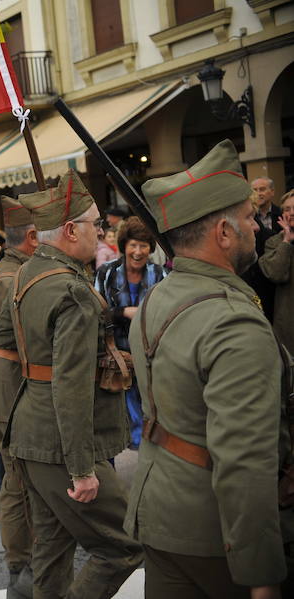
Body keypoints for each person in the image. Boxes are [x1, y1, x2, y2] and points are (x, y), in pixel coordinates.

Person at [123, 140, 291, 598]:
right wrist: (262, 577)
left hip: (160, 512)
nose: (257, 225)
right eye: (249, 218)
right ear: (223, 232)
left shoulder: (157, 295)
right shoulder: (233, 320)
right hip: (218, 533)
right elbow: (245, 461)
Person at [0, 170, 144, 598]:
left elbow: (9, 351)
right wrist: (81, 468)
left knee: (53, 549)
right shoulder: (73, 291)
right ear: (71, 229)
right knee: (125, 545)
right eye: (95, 224)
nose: (101, 232)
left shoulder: (25, 275)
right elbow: (71, 385)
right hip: (62, 444)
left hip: (30, 432)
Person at [0, 197, 36, 597]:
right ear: (32, 238)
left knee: (20, 481)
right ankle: (21, 568)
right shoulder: (9, 278)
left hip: (12, 387)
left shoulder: (15, 270)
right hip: (11, 389)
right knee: (17, 483)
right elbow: (21, 339)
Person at [94, 217, 166, 450]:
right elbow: (95, 312)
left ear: (151, 248)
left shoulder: (160, 275)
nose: (137, 251)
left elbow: (169, 314)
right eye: (133, 245)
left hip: (151, 358)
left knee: (153, 420)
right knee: (117, 423)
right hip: (116, 359)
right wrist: (123, 312)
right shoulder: (107, 273)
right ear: (124, 246)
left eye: (144, 245)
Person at [243, 176, 282, 322]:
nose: (259, 193)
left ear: (272, 192)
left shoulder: (278, 219)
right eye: (256, 190)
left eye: (263, 189)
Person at [259, 190, 294, 353]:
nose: (291, 213)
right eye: (287, 209)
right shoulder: (274, 242)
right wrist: (286, 242)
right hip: (288, 321)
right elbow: (276, 274)